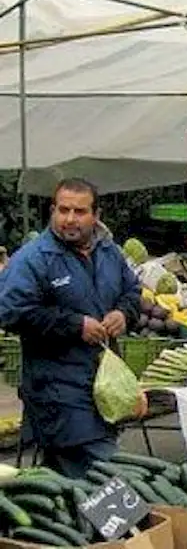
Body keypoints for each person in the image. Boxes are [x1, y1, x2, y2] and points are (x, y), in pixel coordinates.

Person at [0, 179, 145, 478]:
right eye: (63, 210)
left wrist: (123, 313)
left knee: (68, 483)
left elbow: (132, 291)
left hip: (102, 388)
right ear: (52, 210)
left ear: (96, 215)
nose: (69, 219)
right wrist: (74, 325)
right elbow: (11, 312)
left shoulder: (108, 252)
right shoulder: (33, 259)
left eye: (80, 211)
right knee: (111, 475)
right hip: (57, 391)